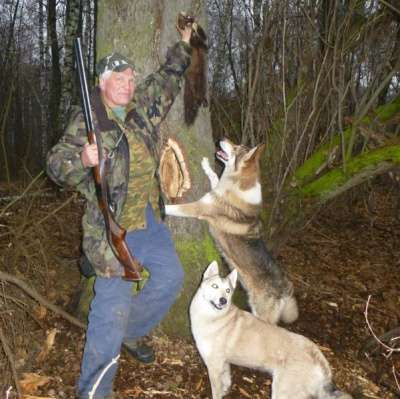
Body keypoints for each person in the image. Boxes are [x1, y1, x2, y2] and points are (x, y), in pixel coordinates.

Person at [46, 21, 193, 399]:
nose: (128, 84)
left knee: (171, 278)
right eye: (120, 79)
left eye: (131, 78)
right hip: (110, 228)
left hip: (147, 217)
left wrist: (185, 43)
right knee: (110, 309)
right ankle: (94, 391)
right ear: (101, 82)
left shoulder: (141, 108)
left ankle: (133, 331)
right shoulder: (88, 120)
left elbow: (168, 79)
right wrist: (81, 157)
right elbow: (55, 166)